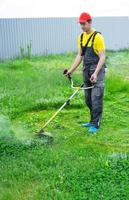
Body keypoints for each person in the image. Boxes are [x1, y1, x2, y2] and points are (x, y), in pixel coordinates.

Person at [64, 12, 106, 134]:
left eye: (84, 23)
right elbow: (79, 56)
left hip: (97, 71)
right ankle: (93, 120)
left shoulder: (97, 37)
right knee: (88, 99)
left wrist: (96, 73)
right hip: (86, 71)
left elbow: (102, 57)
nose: (82, 26)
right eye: (80, 24)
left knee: (96, 98)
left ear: (90, 22)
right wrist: (70, 71)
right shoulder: (81, 37)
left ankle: (96, 124)